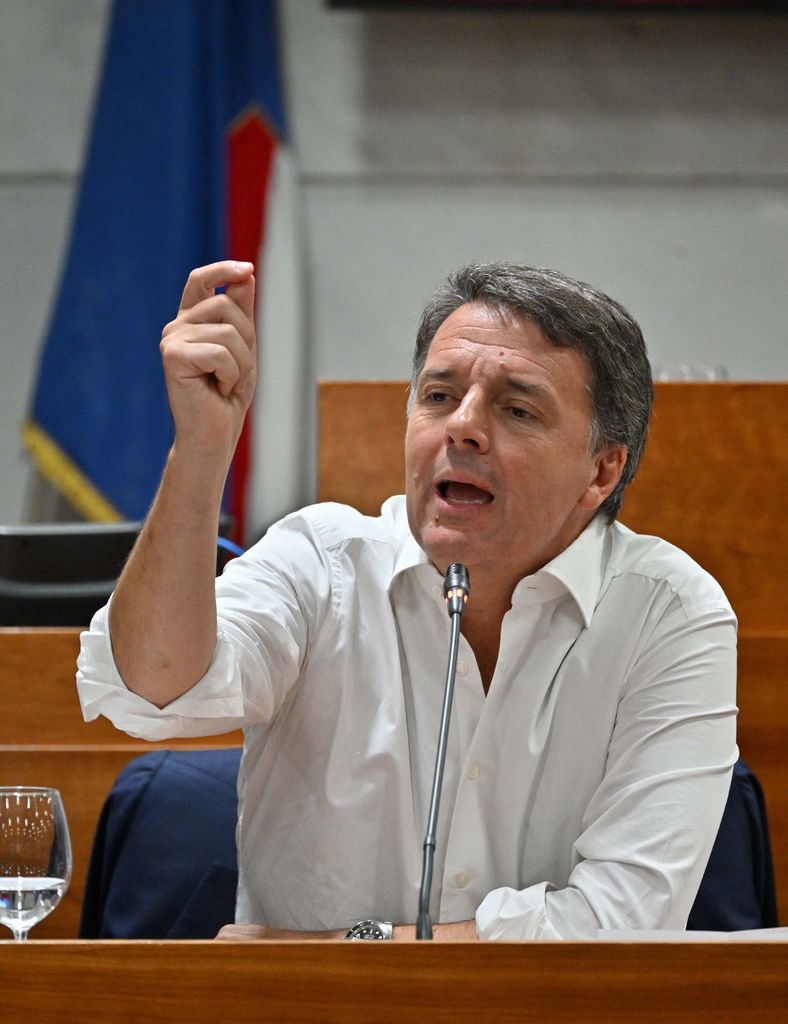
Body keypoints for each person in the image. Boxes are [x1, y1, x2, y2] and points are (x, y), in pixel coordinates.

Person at [77, 260, 737, 941]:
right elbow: (152, 688)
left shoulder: (669, 615)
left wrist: (336, 952)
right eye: (439, 396)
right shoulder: (321, 561)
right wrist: (200, 447)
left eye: (516, 409)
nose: (463, 427)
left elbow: (623, 922)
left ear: (601, 470)